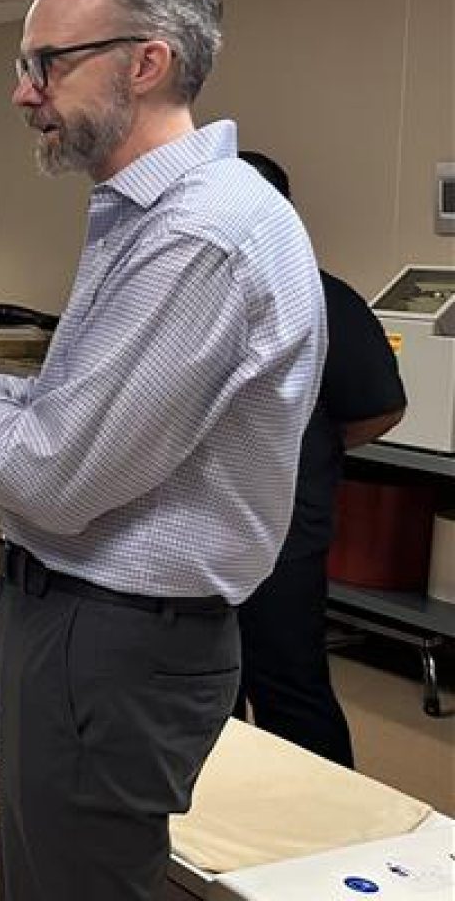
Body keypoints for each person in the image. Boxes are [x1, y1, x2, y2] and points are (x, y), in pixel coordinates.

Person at [0, 0, 325, 900]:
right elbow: (76, 428)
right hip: (81, 631)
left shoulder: (198, 238)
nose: (24, 92)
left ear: (146, 63)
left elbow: (50, 479)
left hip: (113, 644)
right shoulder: (144, 219)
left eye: (46, 64)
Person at [235, 150, 406, 767]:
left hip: (282, 530)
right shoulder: (194, 293)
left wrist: (311, 448)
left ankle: (322, 833)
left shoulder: (322, 297)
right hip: (199, 535)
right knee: (204, 687)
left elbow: (380, 407)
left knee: (287, 682)